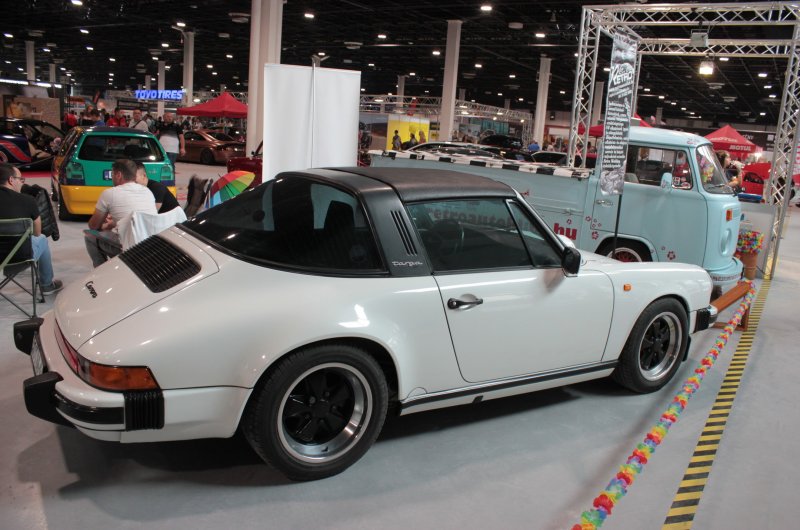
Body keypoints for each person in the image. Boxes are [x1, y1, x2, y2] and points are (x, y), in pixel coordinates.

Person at [0, 163, 63, 294]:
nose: (22, 183)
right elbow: (37, 232)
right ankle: (46, 285)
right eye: (20, 179)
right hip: (20, 258)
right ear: (11, 180)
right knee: (42, 238)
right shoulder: (27, 200)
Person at [84, 159, 156, 267]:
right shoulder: (148, 192)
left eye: (112, 174)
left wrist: (104, 226)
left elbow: (93, 225)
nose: (112, 177)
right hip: (151, 244)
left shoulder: (110, 193)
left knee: (90, 236)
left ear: (118, 175)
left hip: (129, 246)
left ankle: (102, 272)